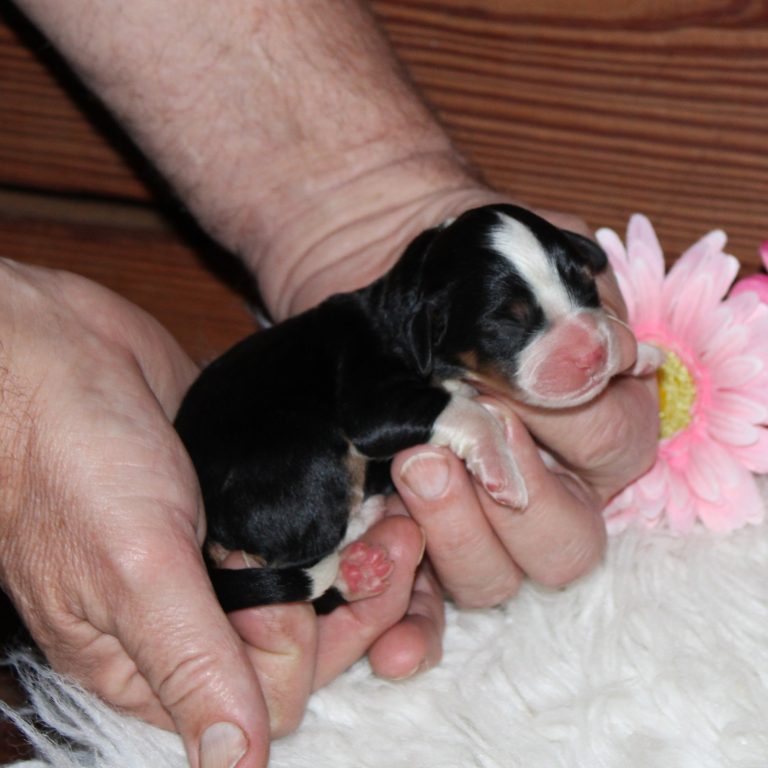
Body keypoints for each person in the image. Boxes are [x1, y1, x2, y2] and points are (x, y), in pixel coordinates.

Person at [0, 2, 658, 767]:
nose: (582, 343)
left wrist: (360, 200)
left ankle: (314, 569)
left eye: (578, 287)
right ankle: (311, 570)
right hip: (262, 476)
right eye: (516, 325)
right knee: (323, 466)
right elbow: (376, 422)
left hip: (253, 463)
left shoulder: (397, 324)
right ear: (435, 326)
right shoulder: (383, 352)